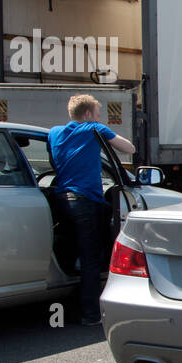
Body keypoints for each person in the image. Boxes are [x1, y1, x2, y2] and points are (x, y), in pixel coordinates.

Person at [49, 94, 136, 326]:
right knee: (91, 258)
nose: (99, 119)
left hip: (61, 200)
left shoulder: (54, 132)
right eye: (98, 114)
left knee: (73, 249)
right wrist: (100, 130)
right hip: (86, 200)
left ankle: (71, 301)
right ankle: (90, 314)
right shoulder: (92, 128)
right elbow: (129, 147)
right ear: (88, 115)